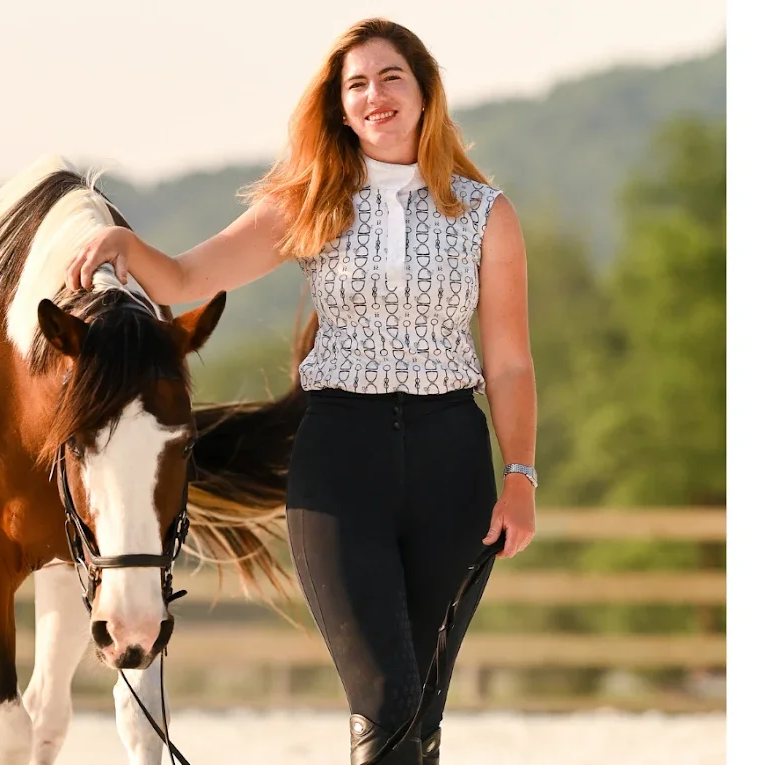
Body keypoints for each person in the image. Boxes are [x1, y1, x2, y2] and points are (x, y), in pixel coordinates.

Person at [66, 17, 537, 765]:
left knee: (423, 710)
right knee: (385, 700)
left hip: (452, 462)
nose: (374, 95)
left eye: (390, 78)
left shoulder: (486, 214)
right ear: (339, 106)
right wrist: (128, 248)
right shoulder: (307, 203)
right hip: (337, 467)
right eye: (356, 84)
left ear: (424, 94)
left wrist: (520, 474)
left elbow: (509, 361)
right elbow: (189, 277)